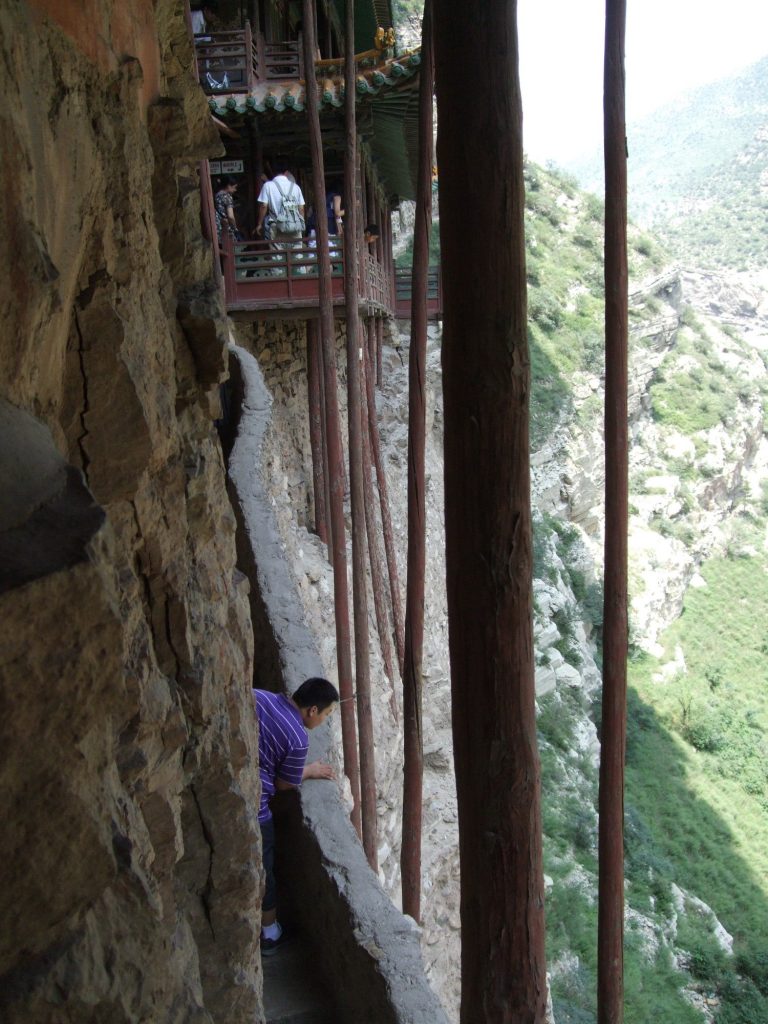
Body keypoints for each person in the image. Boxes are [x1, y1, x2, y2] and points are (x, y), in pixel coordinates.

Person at [253, 677, 338, 955]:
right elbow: (284, 784)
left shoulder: (261, 696)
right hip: (256, 806)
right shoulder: (298, 738)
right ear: (312, 710)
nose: (324, 721)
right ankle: (269, 932)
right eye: (326, 715)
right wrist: (310, 771)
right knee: (264, 868)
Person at [255, 165, 306, 267]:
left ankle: (280, 277)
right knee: (297, 256)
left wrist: (259, 223)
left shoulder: (268, 186)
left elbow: (264, 206)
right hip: (294, 226)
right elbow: (301, 208)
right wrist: (301, 223)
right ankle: (298, 276)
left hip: (276, 225)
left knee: (278, 258)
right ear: (286, 173)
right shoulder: (295, 187)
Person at [214, 175, 240, 240]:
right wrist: (235, 228)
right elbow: (230, 216)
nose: (235, 190)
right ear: (228, 186)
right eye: (234, 187)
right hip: (225, 228)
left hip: (217, 225)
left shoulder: (217, 195)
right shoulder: (227, 197)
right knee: (232, 248)